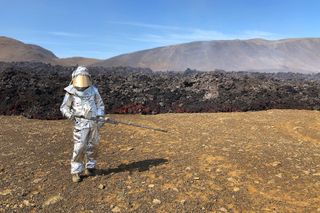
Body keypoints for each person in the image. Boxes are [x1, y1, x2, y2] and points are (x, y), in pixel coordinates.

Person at [60, 66, 105, 183]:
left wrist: (100, 117)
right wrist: (70, 115)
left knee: (93, 146)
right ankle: (76, 171)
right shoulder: (71, 91)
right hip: (80, 124)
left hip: (94, 123)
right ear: (74, 78)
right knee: (80, 147)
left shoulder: (94, 90)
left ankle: (90, 167)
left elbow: (100, 105)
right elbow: (64, 107)